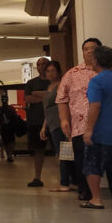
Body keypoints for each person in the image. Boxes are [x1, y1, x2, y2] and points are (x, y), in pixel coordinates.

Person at [57, 37, 112, 202]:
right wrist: (64, 120)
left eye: (93, 48)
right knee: (83, 161)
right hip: (80, 126)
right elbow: (61, 98)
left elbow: (96, 105)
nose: (89, 51)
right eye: (86, 48)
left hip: (109, 125)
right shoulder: (72, 73)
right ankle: (86, 191)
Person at [81, 45, 112, 209]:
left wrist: (89, 129)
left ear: (95, 60)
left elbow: (95, 106)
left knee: (93, 165)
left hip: (102, 132)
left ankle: (96, 199)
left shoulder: (96, 81)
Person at [39, 61, 72, 192]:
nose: (50, 73)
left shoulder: (61, 85)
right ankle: (71, 181)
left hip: (61, 122)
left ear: (58, 72)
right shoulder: (49, 87)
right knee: (64, 152)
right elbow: (47, 110)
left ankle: (65, 182)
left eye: (53, 70)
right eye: (48, 71)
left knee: (64, 153)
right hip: (52, 123)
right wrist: (44, 127)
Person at [24, 57, 51, 187]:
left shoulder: (55, 81)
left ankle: (66, 178)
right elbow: (28, 99)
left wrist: (38, 94)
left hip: (53, 119)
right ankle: (37, 177)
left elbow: (56, 96)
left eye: (44, 64)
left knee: (60, 149)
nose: (42, 66)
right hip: (36, 120)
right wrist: (47, 95)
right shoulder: (31, 83)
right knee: (38, 150)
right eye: (39, 64)